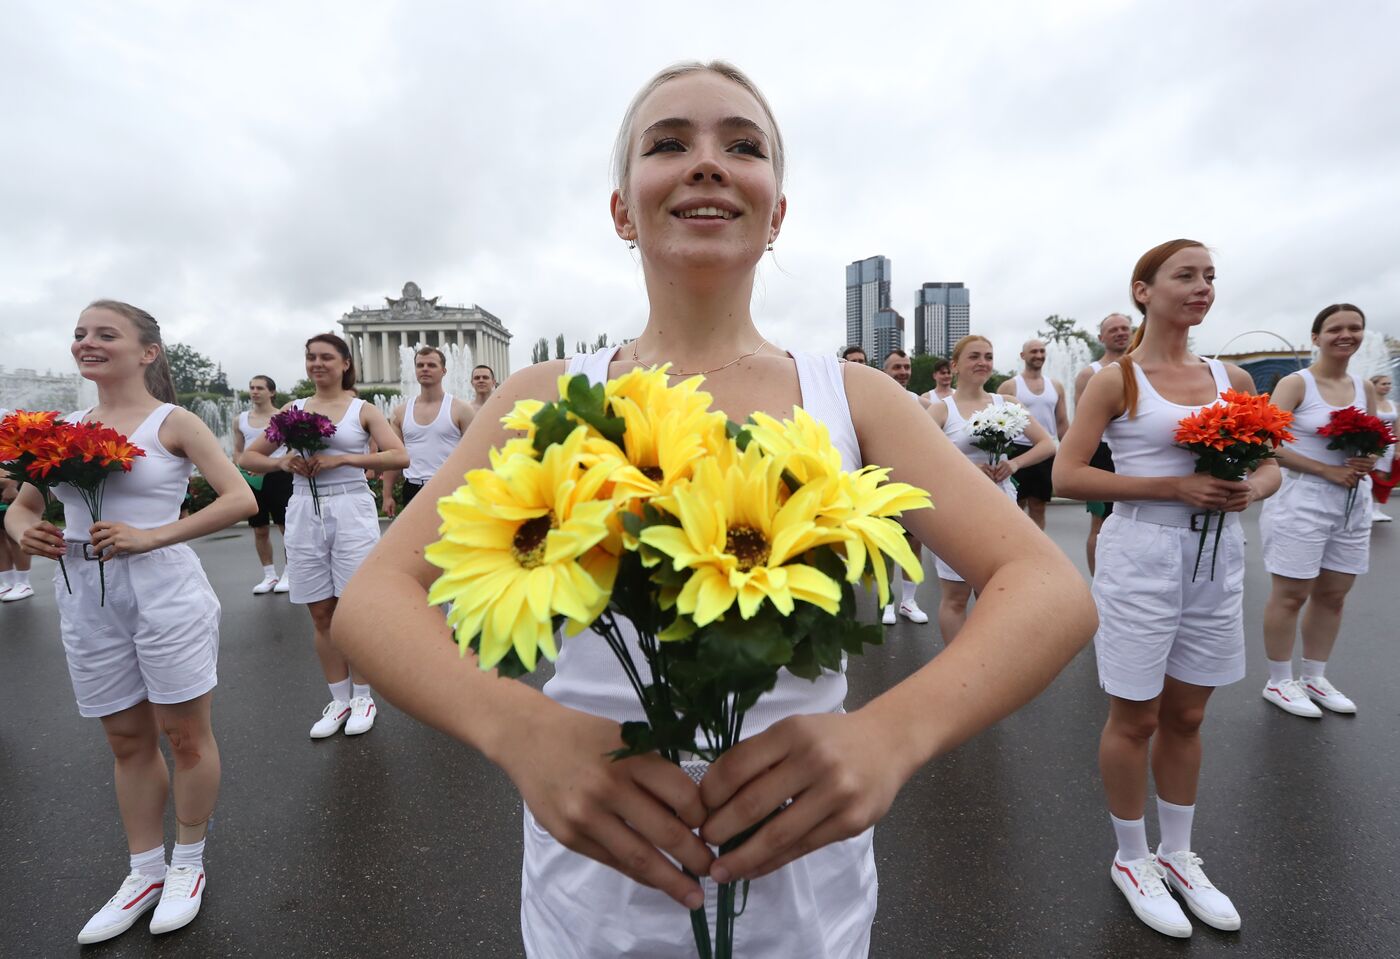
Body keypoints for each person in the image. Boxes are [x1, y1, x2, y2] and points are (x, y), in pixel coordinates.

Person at [330, 60, 1095, 959]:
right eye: (668, 144)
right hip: (596, 864)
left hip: (802, 873)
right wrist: (521, 729)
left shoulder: (849, 395)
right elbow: (376, 598)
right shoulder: (543, 394)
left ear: (777, 214)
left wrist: (889, 735)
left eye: (742, 146)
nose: (706, 162)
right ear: (623, 210)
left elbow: (1046, 588)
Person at [4, 300, 256, 943]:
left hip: (163, 587)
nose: (86, 343)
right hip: (84, 590)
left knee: (185, 736)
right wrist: (26, 530)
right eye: (80, 334)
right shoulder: (58, 426)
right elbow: (21, 507)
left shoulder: (175, 422)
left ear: (147, 352)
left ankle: (188, 863)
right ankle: (144, 870)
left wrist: (154, 536)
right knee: (124, 739)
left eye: (104, 334)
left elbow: (240, 498)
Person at [1056, 240, 1280, 940]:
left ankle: (1179, 853)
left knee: (1187, 716)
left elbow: (1271, 467)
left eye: (1210, 276)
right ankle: (1132, 858)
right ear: (1143, 290)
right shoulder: (1116, 379)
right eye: (1186, 275)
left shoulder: (1232, 374)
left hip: (1216, 559)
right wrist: (1173, 485)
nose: (1202, 286)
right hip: (1141, 553)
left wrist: (1248, 488)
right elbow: (1068, 475)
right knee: (1138, 717)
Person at [239, 333, 408, 739]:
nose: (317, 364)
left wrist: (346, 459)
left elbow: (399, 455)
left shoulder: (362, 410)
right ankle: (339, 699)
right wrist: (285, 464)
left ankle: (364, 695)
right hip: (303, 508)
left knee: (354, 608)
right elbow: (248, 457)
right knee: (321, 610)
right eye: (311, 357)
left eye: (327, 357)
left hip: (350, 505)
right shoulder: (293, 411)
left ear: (345, 363)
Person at [1258, 305, 1381, 718]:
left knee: (1334, 595)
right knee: (1292, 594)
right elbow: (1266, 442)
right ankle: (1279, 680)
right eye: (1335, 328)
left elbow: (1374, 439)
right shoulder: (1297, 384)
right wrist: (1324, 469)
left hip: (1350, 501)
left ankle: (1314, 676)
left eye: (1355, 328)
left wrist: (1366, 458)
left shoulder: (1364, 386)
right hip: (1301, 499)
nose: (1346, 334)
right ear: (1316, 337)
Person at [927, 335, 1054, 642]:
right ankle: (956, 666)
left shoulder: (1006, 404)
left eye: (988, 356)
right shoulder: (941, 410)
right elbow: (921, 457)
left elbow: (1048, 444)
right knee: (956, 596)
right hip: (958, 510)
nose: (982, 362)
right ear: (955, 365)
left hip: (1001, 505)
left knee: (995, 593)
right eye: (974, 357)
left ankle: (988, 661)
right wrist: (968, 468)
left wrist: (1014, 464)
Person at [1074, 313, 1135, 573]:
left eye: (1125, 328)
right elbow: (1082, 424)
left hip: (1136, 453)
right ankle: (1099, 583)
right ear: (1101, 337)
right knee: (1101, 521)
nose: (1120, 332)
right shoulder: (1091, 374)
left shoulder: (1144, 368)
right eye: (1113, 330)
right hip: (1103, 453)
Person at [381, 347, 474, 517]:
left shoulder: (461, 409)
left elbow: (473, 455)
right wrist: (387, 495)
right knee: (414, 543)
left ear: (444, 371)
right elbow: (394, 457)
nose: (425, 369)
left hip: (449, 488)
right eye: (420, 365)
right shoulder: (400, 412)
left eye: (431, 365)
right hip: (413, 488)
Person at [880, 347, 931, 625]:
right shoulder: (873, 399)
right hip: (883, 483)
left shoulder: (920, 403)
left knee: (914, 544)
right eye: (896, 367)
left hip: (912, 483)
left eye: (906, 367)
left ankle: (909, 602)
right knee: (887, 545)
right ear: (884, 371)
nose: (903, 372)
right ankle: (886, 600)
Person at [234, 375, 293, 594]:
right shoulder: (239, 419)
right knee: (259, 528)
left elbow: (290, 448)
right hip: (251, 478)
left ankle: (290, 571)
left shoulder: (281, 417)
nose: (254, 391)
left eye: (260, 388)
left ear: (272, 392)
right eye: (251, 387)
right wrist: (241, 470)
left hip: (278, 474)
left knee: (286, 527)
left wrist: (274, 464)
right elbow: (238, 451)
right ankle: (269, 575)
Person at [999, 338, 1067, 529]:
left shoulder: (1056, 386)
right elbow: (998, 425)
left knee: (1039, 506)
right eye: (1033, 352)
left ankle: (1039, 552)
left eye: (1041, 351)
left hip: (1044, 452)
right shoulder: (1010, 386)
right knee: (1015, 506)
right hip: (1016, 450)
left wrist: (1067, 454)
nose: (1038, 356)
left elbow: (1062, 422)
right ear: (1023, 356)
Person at [1, 474, 35, 602]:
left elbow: (14, 467)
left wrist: (10, 484)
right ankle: (8, 582)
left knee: (13, 535)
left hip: (11, 492)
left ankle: (23, 583)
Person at [1370, 373, 1395, 522]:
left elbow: (1397, 428)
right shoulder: (1369, 403)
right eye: (1383, 384)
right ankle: (1366, 506)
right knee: (1368, 474)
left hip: (1389, 443)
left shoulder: (1393, 404)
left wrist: (1398, 448)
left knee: (1382, 475)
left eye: (1389, 384)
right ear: (1374, 385)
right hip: (1372, 442)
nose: (1387, 387)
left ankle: (1376, 508)